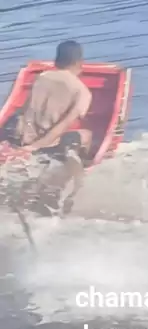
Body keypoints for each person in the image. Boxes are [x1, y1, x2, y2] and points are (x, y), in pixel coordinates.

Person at [9, 40, 93, 214]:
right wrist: (36, 146)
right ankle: (84, 169)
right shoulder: (81, 91)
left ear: (56, 61)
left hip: (20, 139)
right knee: (87, 135)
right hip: (46, 147)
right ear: (80, 63)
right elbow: (64, 124)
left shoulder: (41, 77)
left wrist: (26, 145)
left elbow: (25, 112)